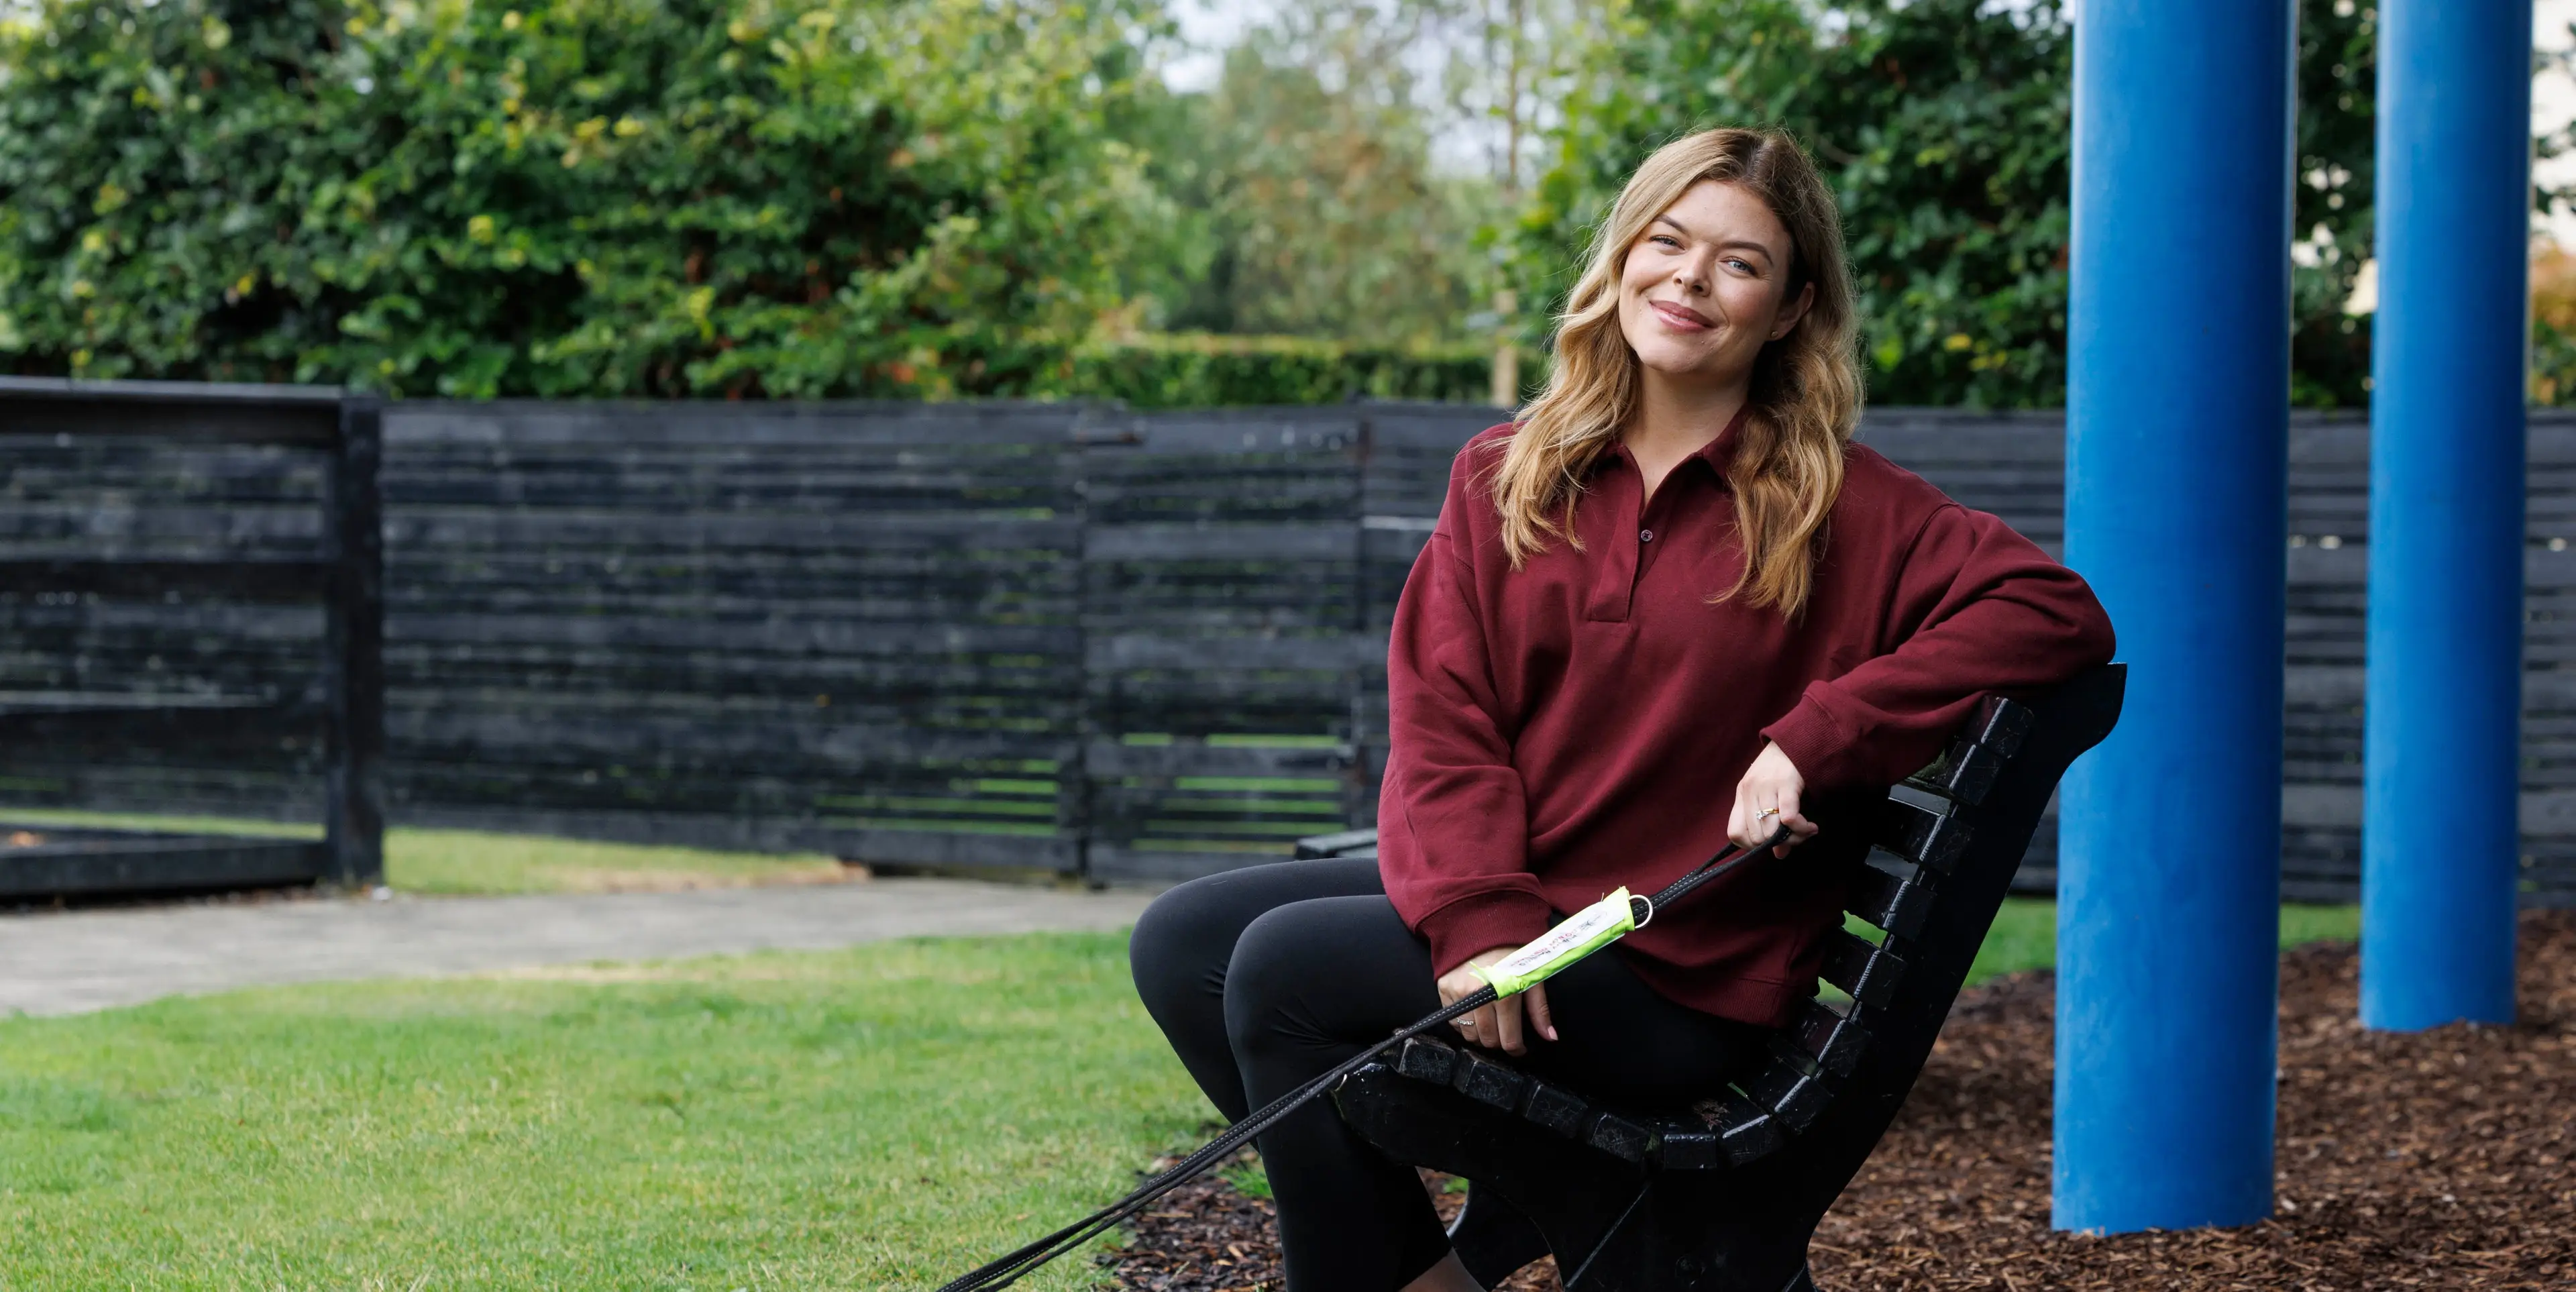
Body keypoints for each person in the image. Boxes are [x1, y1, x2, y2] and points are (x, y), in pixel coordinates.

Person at [1126, 126, 2115, 1292]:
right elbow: (1446, 718)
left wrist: (1821, 731)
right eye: (1668, 240)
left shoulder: (1842, 505)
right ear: (1624, 257)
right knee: (1187, 940)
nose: (1691, 279)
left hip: (1675, 971)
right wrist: (1484, 918)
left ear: (1792, 307)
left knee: (1287, 968)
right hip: (1542, 911)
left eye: (1739, 262)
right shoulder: (1508, 472)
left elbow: (2054, 613)